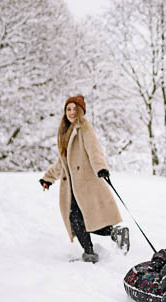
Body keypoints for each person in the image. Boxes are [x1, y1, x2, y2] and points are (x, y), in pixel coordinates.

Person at [40, 94, 129, 263]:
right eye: (68, 109)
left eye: (75, 109)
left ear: (81, 111)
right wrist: (48, 178)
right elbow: (62, 162)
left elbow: (94, 150)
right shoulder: (66, 132)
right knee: (81, 220)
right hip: (73, 188)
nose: (72, 112)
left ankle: (90, 252)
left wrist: (101, 168)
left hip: (85, 184)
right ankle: (112, 235)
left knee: (79, 220)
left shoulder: (84, 128)